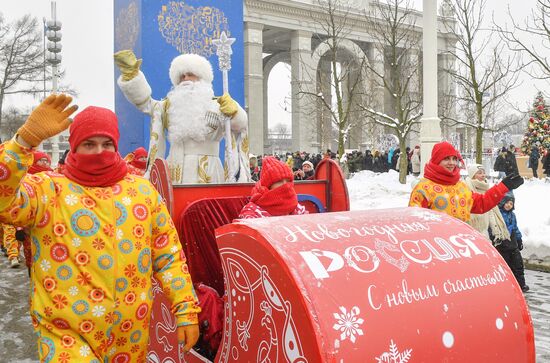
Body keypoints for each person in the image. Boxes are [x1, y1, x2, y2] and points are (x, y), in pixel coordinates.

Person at [0, 94, 200, 362]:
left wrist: (186, 309)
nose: (98, 152)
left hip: (129, 336)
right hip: (65, 335)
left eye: (107, 144)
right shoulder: (47, 190)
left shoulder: (141, 192)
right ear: (74, 147)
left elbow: (168, 257)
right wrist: (23, 142)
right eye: (89, 144)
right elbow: (4, 200)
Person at [114, 50, 250, 183]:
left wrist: (235, 112)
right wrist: (132, 76)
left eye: (190, 74)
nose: (185, 79)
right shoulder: (167, 106)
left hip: (209, 172)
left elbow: (240, 126)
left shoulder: (219, 104)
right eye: (181, 76)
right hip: (174, 172)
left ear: (201, 78)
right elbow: (145, 103)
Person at [409, 141, 524, 222]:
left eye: (454, 159)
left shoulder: (459, 186)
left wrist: (504, 186)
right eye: (446, 159)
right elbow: (415, 224)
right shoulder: (423, 189)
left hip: (460, 248)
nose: (452, 163)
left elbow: (481, 204)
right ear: (436, 160)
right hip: (435, 251)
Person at [238, 156, 307, 218]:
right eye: (279, 181)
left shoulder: (297, 208)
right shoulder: (252, 212)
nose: (285, 185)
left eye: (288, 181)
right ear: (268, 185)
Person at [493, 195, 529, 292]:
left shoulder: (512, 215)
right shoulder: (497, 213)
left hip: (512, 243)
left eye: (511, 204)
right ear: (503, 202)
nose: (509, 205)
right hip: (502, 244)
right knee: (506, 266)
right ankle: (506, 285)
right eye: (507, 202)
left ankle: (521, 285)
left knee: (518, 264)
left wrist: (519, 239)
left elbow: (515, 228)